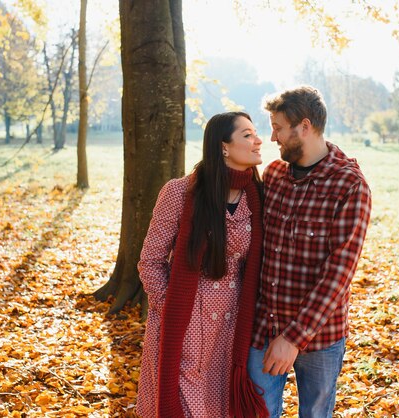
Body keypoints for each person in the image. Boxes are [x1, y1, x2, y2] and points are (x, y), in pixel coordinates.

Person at [247, 86, 372, 418]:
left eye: (278, 128)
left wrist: (293, 338)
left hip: (319, 338)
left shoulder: (349, 186)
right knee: (257, 412)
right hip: (265, 326)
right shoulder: (273, 175)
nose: (272, 137)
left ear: (304, 126)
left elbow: (338, 275)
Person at [136, 112, 269, 418]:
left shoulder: (259, 197)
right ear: (223, 146)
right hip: (184, 326)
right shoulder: (180, 192)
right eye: (247, 135)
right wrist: (171, 305)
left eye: (256, 133)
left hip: (232, 329)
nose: (258, 140)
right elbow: (150, 261)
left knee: (219, 408)